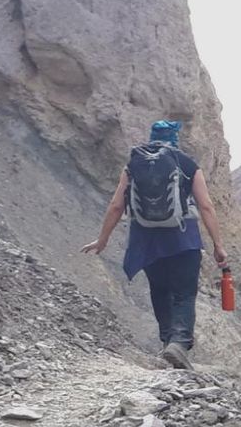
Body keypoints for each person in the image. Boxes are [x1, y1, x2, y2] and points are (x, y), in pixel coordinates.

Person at [80, 120, 228, 369]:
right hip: (183, 240)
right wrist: (218, 245)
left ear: (151, 137)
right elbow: (206, 206)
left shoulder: (133, 165)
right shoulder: (187, 163)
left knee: (159, 291)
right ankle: (179, 344)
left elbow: (117, 205)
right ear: (174, 138)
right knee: (183, 293)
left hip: (146, 241)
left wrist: (102, 239)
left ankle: (166, 343)